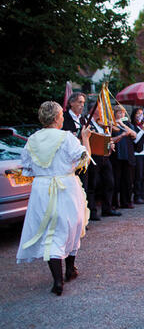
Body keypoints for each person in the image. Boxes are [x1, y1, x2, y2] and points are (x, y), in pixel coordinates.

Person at [16, 101, 91, 296]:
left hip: (42, 188)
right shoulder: (66, 137)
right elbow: (84, 160)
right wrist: (85, 138)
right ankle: (69, 270)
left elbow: (27, 168)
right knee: (72, 226)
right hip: (66, 187)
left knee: (51, 231)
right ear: (59, 118)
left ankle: (58, 279)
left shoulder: (32, 140)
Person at [87, 106, 120, 220]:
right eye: (100, 110)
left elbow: (108, 136)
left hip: (105, 156)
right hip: (93, 156)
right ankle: (92, 211)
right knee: (93, 184)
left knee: (109, 182)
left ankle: (107, 208)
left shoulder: (102, 124)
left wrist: (110, 143)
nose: (103, 112)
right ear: (93, 111)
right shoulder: (87, 122)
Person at [111, 104, 137, 209]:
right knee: (116, 180)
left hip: (127, 154)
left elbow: (134, 134)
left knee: (127, 180)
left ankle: (126, 201)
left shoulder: (127, 123)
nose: (121, 114)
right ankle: (114, 203)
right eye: (119, 112)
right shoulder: (111, 124)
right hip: (116, 154)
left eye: (122, 112)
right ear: (115, 113)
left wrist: (122, 124)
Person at [131, 108, 144, 204]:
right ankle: (137, 196)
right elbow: (135, 140)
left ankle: (142, 195)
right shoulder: (133, 126)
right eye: (138, 113)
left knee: (143, 176)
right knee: (138, 176)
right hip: (137, 153)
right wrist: (142, 130)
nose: (140, 115)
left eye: (141, 113)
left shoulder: (143, 126)